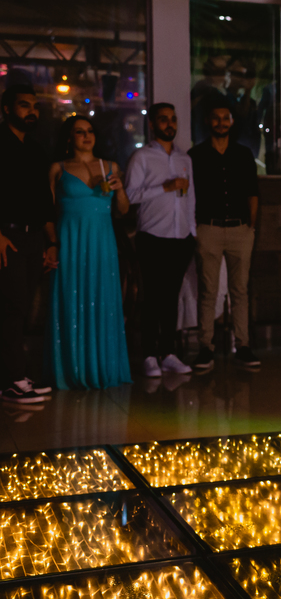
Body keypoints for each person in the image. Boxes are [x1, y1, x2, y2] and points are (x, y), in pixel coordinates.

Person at [43, 116, 132, 390]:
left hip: (102, 241)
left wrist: (119, 190)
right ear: (69, 137)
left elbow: (123, 211)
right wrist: (52, 243)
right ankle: (72, 369)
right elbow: (47, 211)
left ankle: (103, 367)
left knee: (102, 299)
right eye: (79, 132)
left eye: (90, 131)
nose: (86, 136)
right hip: (70, 239)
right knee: (71, 298)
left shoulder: (111, 166)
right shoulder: (57, 168)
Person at [189, 99, 261, 373]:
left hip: (240, 229)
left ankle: (242, 346)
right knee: (208, 292)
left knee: (240, 291)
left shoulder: (244, 154)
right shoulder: (195, 156)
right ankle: (205, 348)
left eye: (226, 117)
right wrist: (195, 228)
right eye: (216, 118)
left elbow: (253, 193)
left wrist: (251, 227)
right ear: (209, 121)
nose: (221, 122)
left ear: (232, 121)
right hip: (208, 228)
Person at [125, 103, 196, 378]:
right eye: (163, 119)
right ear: (153, 124)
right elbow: (130, 196)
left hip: (181, 237)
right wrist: (164, 187)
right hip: (152, 236)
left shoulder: (184, 159)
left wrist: (192, 232)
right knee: (152, 296)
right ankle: (148, 354)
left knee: (171, 297)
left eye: (173, 119)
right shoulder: (141, 157)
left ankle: (169, 353)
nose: (170, 124)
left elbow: (192, 197)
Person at [0, 86, 57, 404]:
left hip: (33, 236)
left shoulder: (36, 150)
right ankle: (12, 380)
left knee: (19, 309)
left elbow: (43, 203)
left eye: (35, 106)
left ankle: (13, 376)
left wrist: (51, 242)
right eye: (24, 106)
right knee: (12, 307)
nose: (32, 111)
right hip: (6, 236)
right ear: (7, 109)